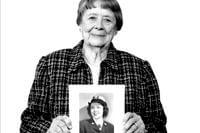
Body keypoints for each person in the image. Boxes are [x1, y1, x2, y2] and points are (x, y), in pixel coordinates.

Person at [20, 0, 167, 132]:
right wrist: (49, 129)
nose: (99, 26)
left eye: (107, 20)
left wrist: (145, 128)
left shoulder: (140, 69)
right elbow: (27, 123)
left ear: (116, 29)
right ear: (80, 23)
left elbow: (160, 125)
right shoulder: (50, 65)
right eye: (92, 18)